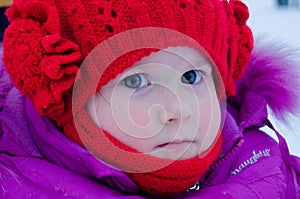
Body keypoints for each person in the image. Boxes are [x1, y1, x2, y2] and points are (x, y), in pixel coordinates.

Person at [1, 0, 300, 198]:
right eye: (136, 81)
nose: (179, 109)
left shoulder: (263, 167)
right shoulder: (15, 183)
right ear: (67, 98)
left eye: (192, 76)